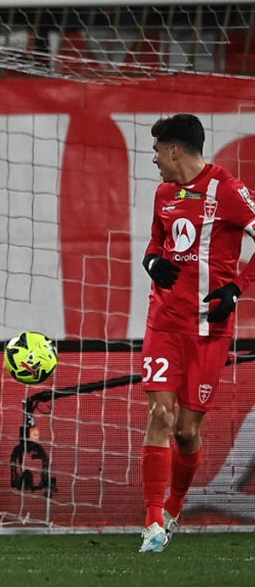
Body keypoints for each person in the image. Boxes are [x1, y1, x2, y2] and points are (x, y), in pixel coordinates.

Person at [138, 113, 255, 553]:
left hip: (209, 331)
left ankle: (173, 505)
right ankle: (151, 522)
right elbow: (154, 244)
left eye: (156, 151)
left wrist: (236, 289)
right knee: (159, 417)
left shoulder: (229, 190)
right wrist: (152, 263)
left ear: (174, 150)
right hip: (164, 322)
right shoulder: (163, 193)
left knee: (186, 432)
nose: (154, 161)